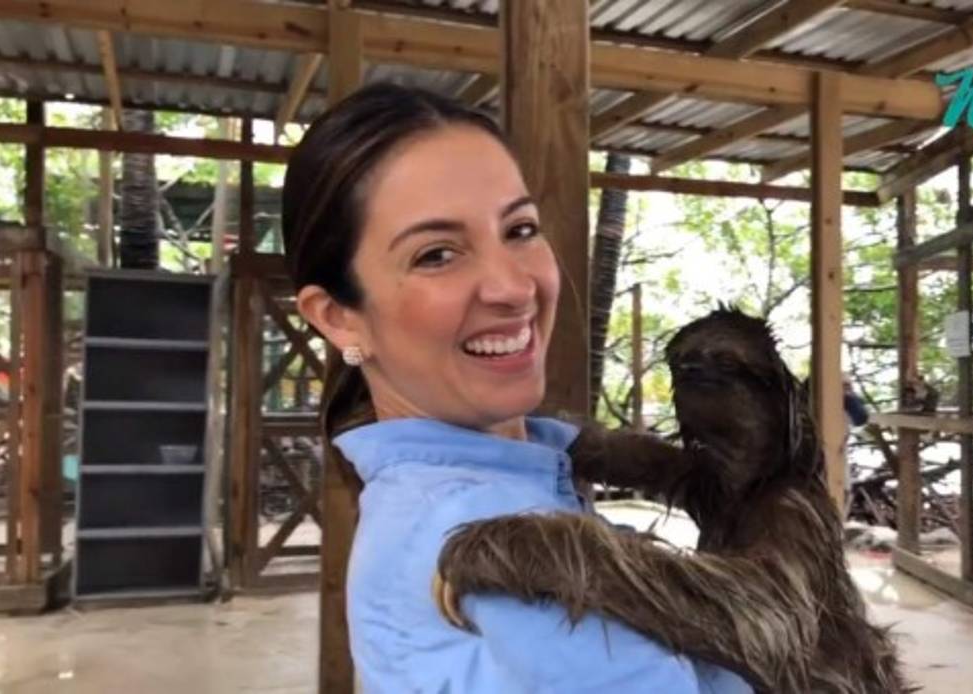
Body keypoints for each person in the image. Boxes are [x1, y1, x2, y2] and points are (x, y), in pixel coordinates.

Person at [282, 83, 750, 694]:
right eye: (437, 254)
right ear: (340, 317)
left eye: (520, 229)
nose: (512, 287)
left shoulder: (495, 480)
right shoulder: (475, 523)